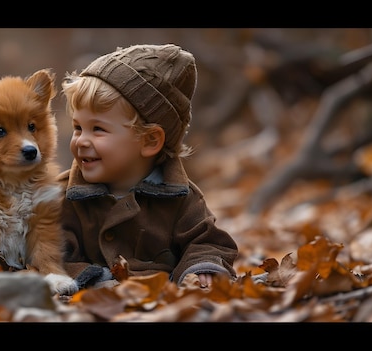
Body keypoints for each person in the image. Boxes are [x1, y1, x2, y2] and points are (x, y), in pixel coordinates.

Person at [59, 43, 238, 290]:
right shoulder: (63, 197)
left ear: (150, 140)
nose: (81, 141)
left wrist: (202, 268)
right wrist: (92, 279)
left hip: (164, 302)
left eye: (98, 129)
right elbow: (50, 251)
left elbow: (207, 243)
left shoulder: (181, 197)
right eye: (78, 127)